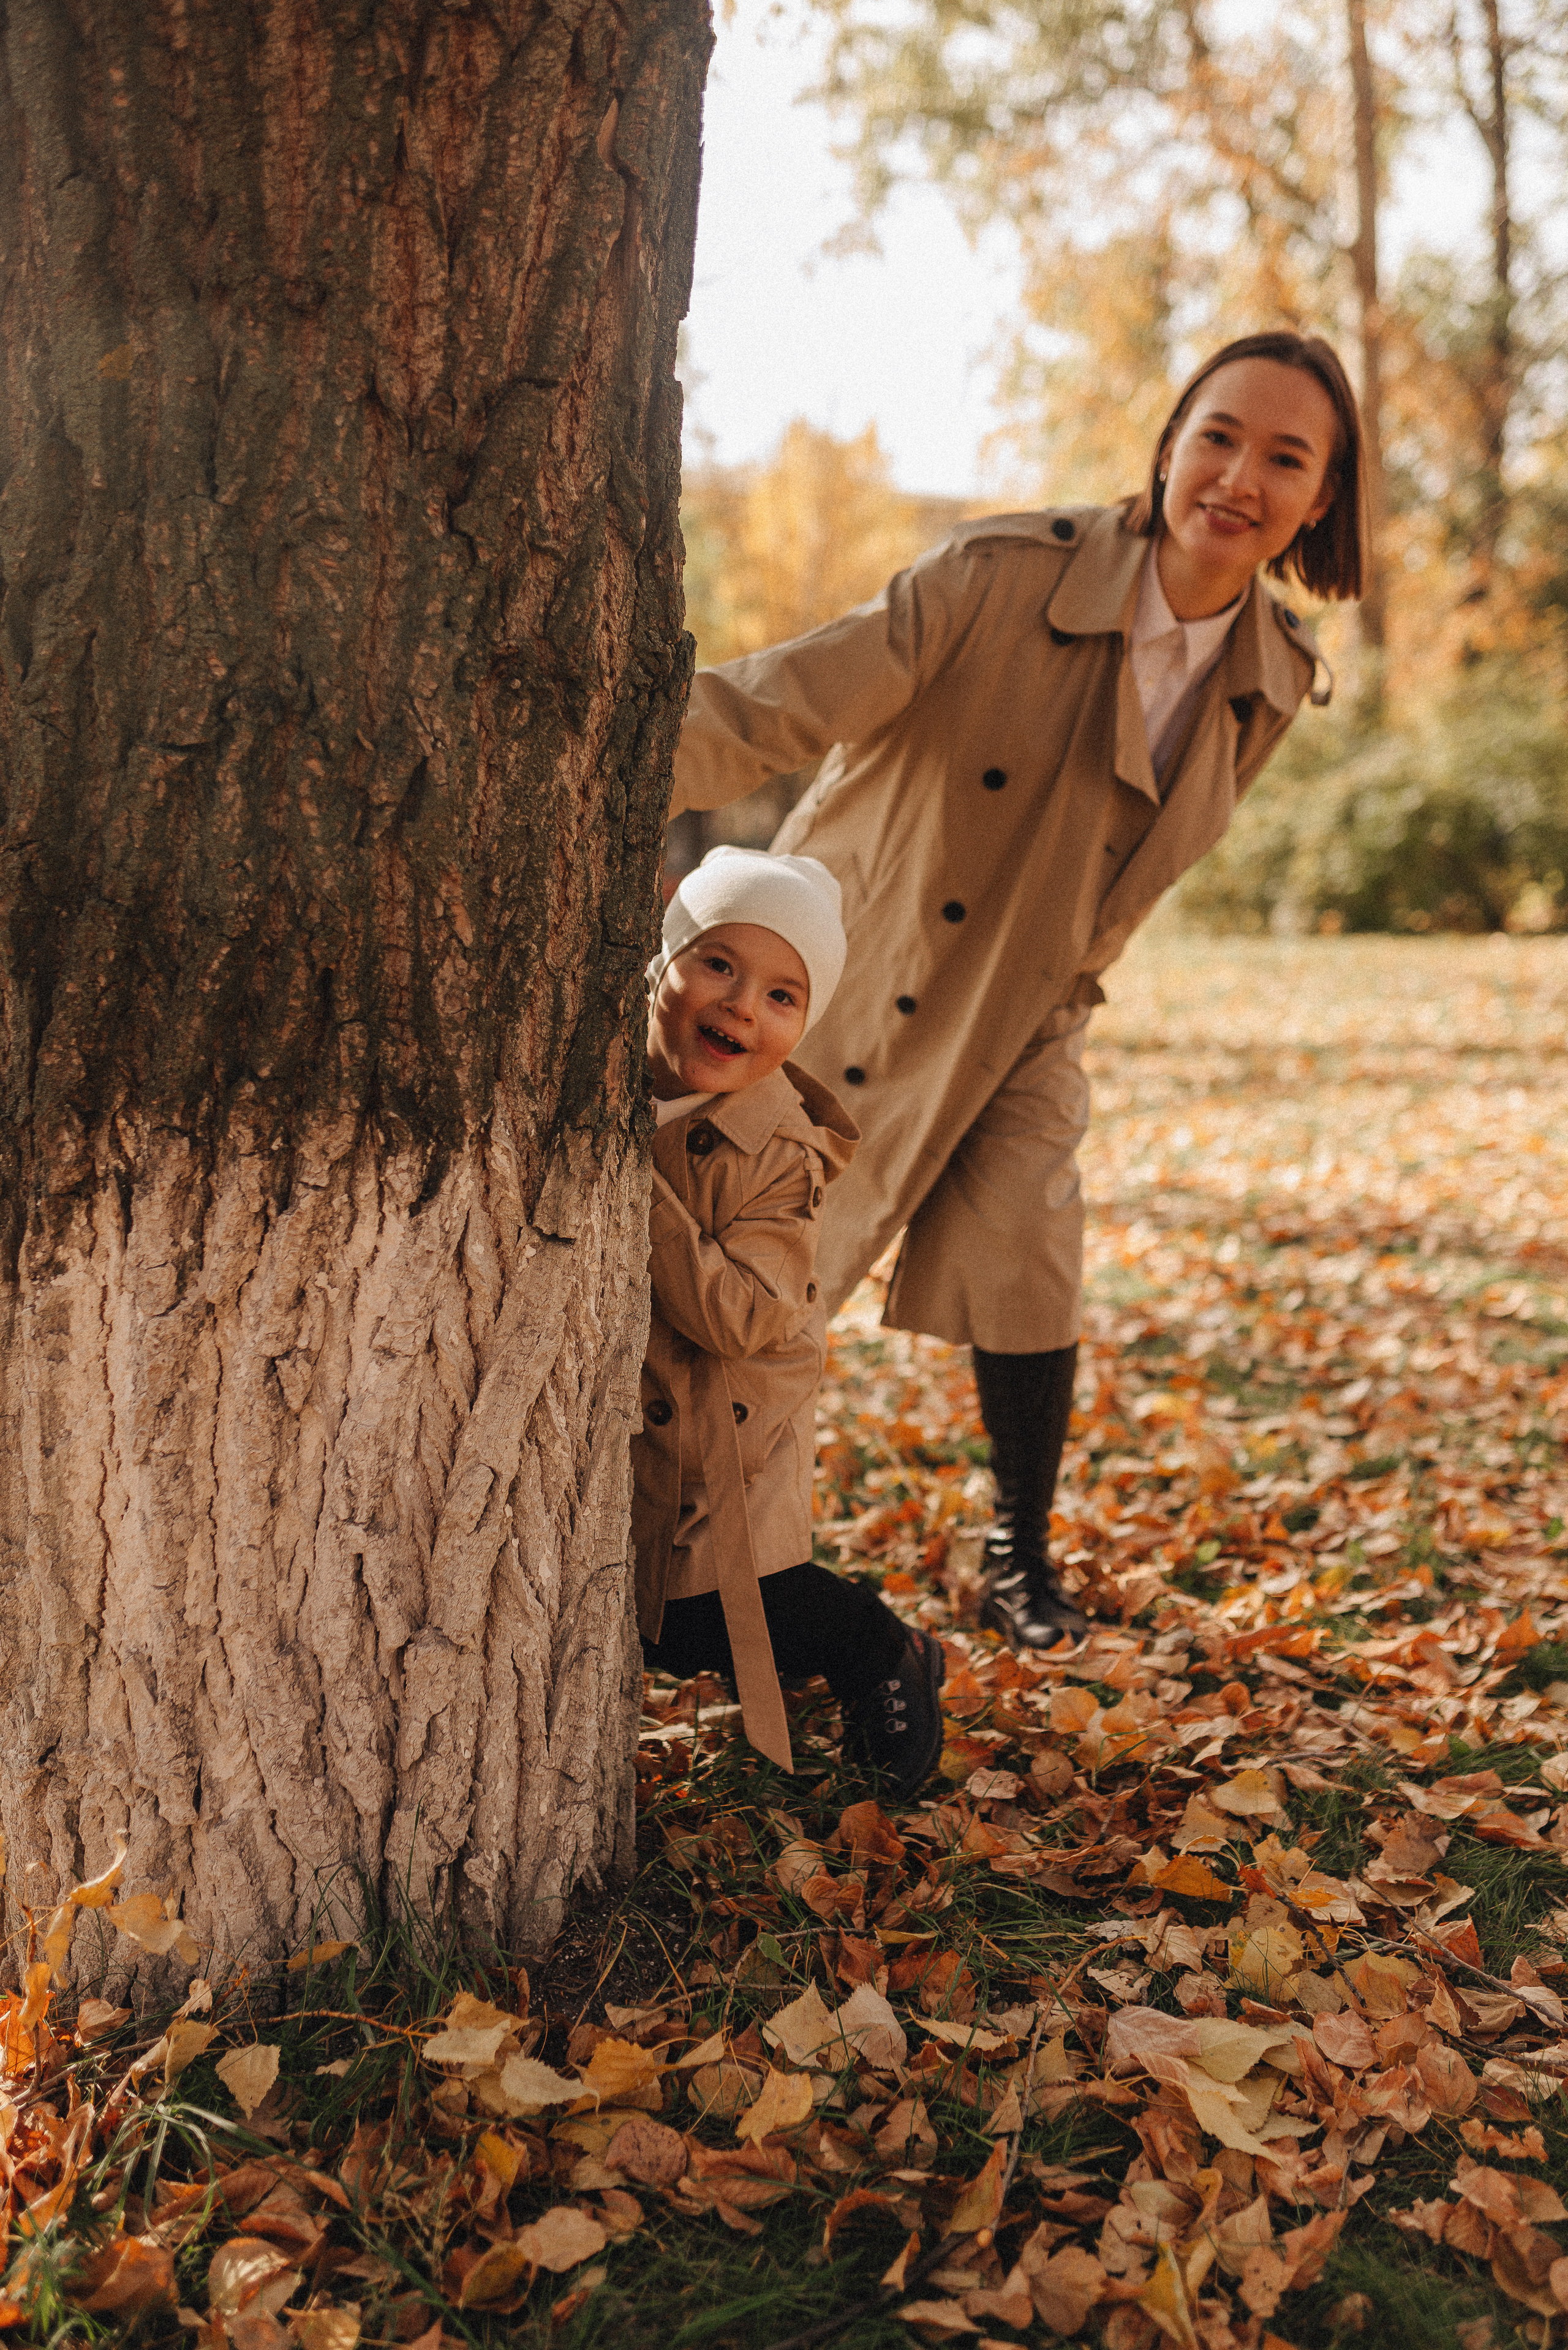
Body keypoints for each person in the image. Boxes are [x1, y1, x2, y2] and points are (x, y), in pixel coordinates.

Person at [669, 330, 1365, 1651]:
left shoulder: (1268, 678)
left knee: (1033, 1248)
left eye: (1285, 457)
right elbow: (781, 703)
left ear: (1318, 498)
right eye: (1216, 435)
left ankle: (1016, 1559)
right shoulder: (996, 575)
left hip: (1033, 1007)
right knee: (752, 1270)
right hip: (848, 970)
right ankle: (681, 1548)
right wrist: (578, 753)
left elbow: (1129, 864)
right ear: (1167, 445)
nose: (1237, 476)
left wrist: (1065, 992)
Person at [635, 844, 946, 1792]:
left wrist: (627, 1181)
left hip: (733, 1411)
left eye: (783, 995)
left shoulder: (781, 1149)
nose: (741, 1005)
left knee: (711, 1604)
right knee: (639, 1602)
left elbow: (743, 1314)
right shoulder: (615, 1072)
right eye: (719, 963)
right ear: (663, 961)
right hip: (639, 1401)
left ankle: (880, 1652)